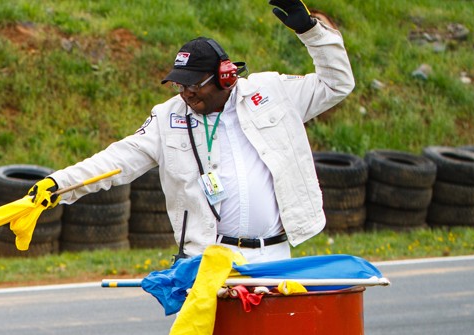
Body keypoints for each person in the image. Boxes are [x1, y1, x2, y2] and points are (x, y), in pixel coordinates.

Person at [27, 0, 354, 263]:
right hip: (207, 260)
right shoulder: (168, 118)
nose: (186, 93)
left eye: (194, 84)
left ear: (226, 77)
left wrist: (312, 33)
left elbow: (337, 83)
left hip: (275, 255)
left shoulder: (273, 93)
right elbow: (116, 160)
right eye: (179, 85)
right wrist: (57, 186)